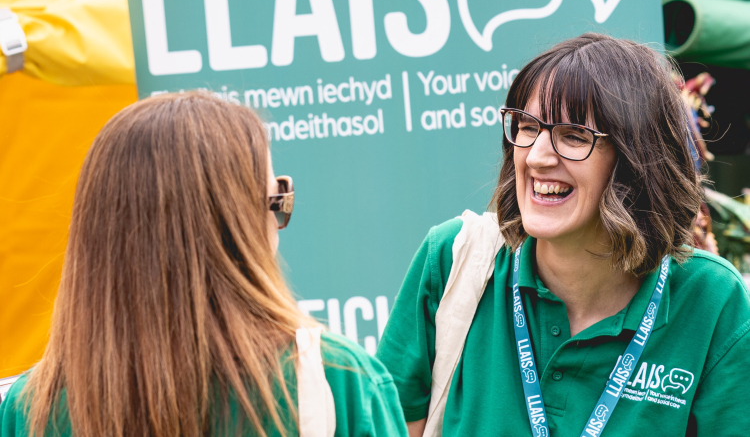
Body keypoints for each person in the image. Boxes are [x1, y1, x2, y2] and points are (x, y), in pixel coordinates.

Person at [376, 33, 750, 436]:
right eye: (527, 127)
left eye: (574, 136)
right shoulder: (455, 259)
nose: (537, 156)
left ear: (635, 159)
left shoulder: (710, 299)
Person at [0, 91, 407, 437]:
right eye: (275, 201)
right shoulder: (339, 380)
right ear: (236, 228)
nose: (279, 225)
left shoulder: (31, 408)